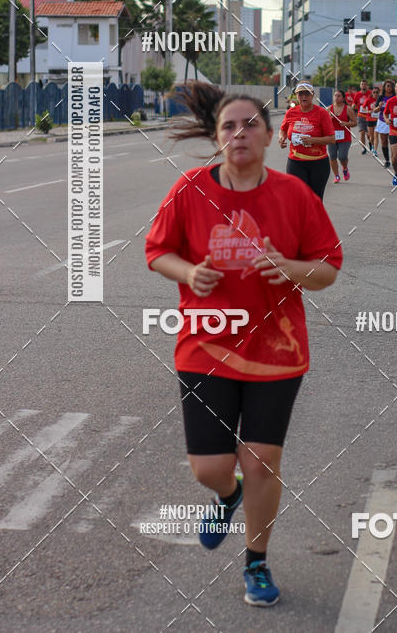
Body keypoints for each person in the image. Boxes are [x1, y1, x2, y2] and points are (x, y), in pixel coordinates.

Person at [145, 82, 342, 608]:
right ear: (216, 137)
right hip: (204, 346)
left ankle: (256, 561)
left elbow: (328, 270)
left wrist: (289, 267)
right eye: (229, 126)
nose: (240, 133)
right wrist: (189, 271)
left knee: (261, 462)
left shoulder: (294, 195)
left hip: (277, 352)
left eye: (250, 124)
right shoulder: (190, 188)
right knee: (210, 468)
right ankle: (227, 494)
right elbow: (156, 251)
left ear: (270, 136)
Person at [279, 81, 336, 201]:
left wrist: (312, 140)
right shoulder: (291, 112)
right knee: (298, 198)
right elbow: (283, 130)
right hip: (295, 162)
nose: (304, 96)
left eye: (307, 93)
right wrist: (281, 138)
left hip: (318, 164)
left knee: (315, 200)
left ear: (312, 95)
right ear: (296, 95)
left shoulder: (321, 113)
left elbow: (331, 139)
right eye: (300, 94)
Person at [327, 89, 357, 182]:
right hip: (331, 137)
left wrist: (346, 123)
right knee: (332, 156)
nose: (336, 98)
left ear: (343, 98)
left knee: (342, 156)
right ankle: (336, 176)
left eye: (339, 96)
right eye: (335, 96)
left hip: (345, 137)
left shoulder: (348, 109)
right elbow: (323, 123)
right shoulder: (329, 109)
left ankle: (345, 168)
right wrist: (329, 119)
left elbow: (355, 123)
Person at [374, 80, 395, 167]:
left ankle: (394, 159)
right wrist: (379, 106)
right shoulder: (381, 97)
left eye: (390, 86)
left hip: (393, 121)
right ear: (384, 87)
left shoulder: (395, 97)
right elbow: (375, 110)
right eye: (387, 86)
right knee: (384, 141)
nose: (388, 87)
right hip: (382, 121)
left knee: (393, 142)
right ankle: (387, 161)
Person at [353, 79, 372, 154]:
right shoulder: (357, 94)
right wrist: (352, 108)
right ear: (360, 85)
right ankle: (364, 148)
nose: (363, 85)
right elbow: (354, 104)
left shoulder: (370, 93)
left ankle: (371, 145)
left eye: (365, 84)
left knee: (369, 134)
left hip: (369, 116)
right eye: (362, 84)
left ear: (367, 85)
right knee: (362, 132)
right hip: (360, 115)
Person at [364, 86, 381, 155]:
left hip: (378, 119)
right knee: (371, 136)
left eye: (377, 92)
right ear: (372, 93)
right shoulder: (368, 100)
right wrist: (368, 111)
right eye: (374, 92)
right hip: (370, 119)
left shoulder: (381, 100)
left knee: (376, 135)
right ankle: (371, 145)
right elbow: (363, 107)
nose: (375, 94)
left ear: (379, 93)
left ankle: (374, 150)